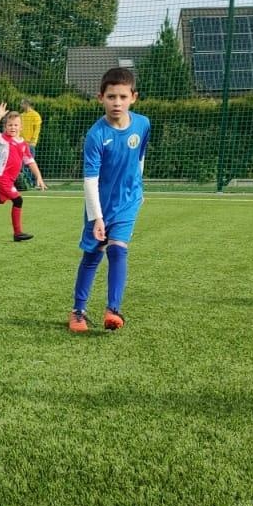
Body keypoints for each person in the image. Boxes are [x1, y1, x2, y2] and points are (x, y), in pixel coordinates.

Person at [69, 67, 150, 333]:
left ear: (133, 97)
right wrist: (97, 218)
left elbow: (139, 157)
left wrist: (139, 188)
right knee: (93, 255)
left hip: (128, 201)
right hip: (100, 205)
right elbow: (90, 180)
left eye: (123, 97)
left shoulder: (143, 124)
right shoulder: (96, 135)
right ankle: (78, 312)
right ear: (100, 97)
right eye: (111, 97)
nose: (117, 102)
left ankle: (112, 310)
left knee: (118, 250)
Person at [0, 102, 45, 241]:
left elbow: (30, 161)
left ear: (21, 127)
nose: (13, 127)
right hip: (1, 178)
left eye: (16, 125)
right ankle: (18, 233)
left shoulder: (23, 144)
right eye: (10, 125)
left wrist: (39, 177)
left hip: (7, 179)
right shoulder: (3, 139)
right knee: (18, 200)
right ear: (5, 127)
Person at [18, 99, 42, 189]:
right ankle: (27, 182)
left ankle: (34, 182)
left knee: (30, 163)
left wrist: (33, 141)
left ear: (27, 104)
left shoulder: (35, 115)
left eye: (22, 104)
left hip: (30, 143)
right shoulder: (21, 116)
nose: (21, 105)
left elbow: (37, 129)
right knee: (21, 164)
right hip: (21, 143)